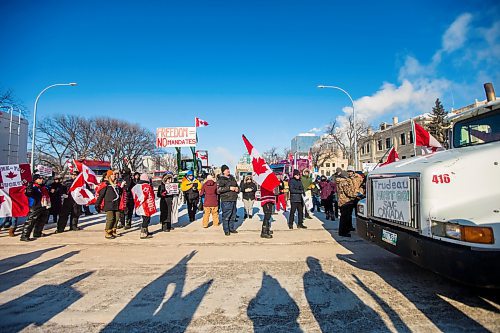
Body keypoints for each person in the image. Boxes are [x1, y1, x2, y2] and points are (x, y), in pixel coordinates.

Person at [20, 174, 51, 241]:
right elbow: (29, 193)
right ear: (35, 180)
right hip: (35, 206)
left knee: (42, 220)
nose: (41, 180)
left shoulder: (42, 187)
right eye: (40, 179)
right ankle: (24, 236)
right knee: (30, 221)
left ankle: (37, 233)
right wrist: (29, 186)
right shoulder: (33, 186)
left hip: (44, 205)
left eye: (42, 179)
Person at [95, 170, 123, 239]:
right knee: (110, 218)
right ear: (109, 176)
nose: (114, 176)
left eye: (114, 175)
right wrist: (97, 204)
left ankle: (113, 230)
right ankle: (108, 232)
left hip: (116, 204)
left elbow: (120, 193)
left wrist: (121, 187)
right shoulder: (105, 185)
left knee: (116, 218)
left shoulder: (116, 185)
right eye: (113, 175)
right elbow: (101, 196)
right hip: (109, 205)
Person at [217, 164, 239, 236]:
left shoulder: (232, 178)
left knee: (233, 215)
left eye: (228, 169)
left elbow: (237, 186)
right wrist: (229, 188)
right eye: (226, 170)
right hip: (226, 200)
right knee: (226, 216)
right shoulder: (221, 179)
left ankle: (231, 228)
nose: (228, 170)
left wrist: (237, 189)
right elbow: (218, 190)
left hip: (233, 199)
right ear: (223, 171)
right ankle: (226, 230)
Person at [335, 168, 358, 237]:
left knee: (345, 217)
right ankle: (343, 232)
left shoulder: (340, 181)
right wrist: (356, 195)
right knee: (344, 218)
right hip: (345, 201)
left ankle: (346, 230)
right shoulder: (344, 182)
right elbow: (348, 193)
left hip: (343, 201)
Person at [132, 173, 156, 239]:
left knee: (145, 218)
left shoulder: (136, 186)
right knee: (146, 219)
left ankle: (146, 231)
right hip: (146, 205)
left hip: (140, 205)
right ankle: (143, 233)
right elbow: (150, 195)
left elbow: (134, 193)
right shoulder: (146, 186)